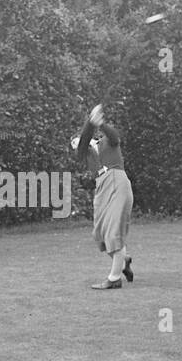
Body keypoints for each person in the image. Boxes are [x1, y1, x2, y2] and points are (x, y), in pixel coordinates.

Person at [74, 104, 134, 289]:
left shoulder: (107, 141)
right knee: (99, 234)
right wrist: (90, 123)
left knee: (113, 232)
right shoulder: (85, 153)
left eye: (75, 140)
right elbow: (84, 141)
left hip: (117, 181)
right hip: (102, 188)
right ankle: (124, 261)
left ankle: (114, 278)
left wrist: (100, 123)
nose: (75, 144)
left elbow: (115, 136)